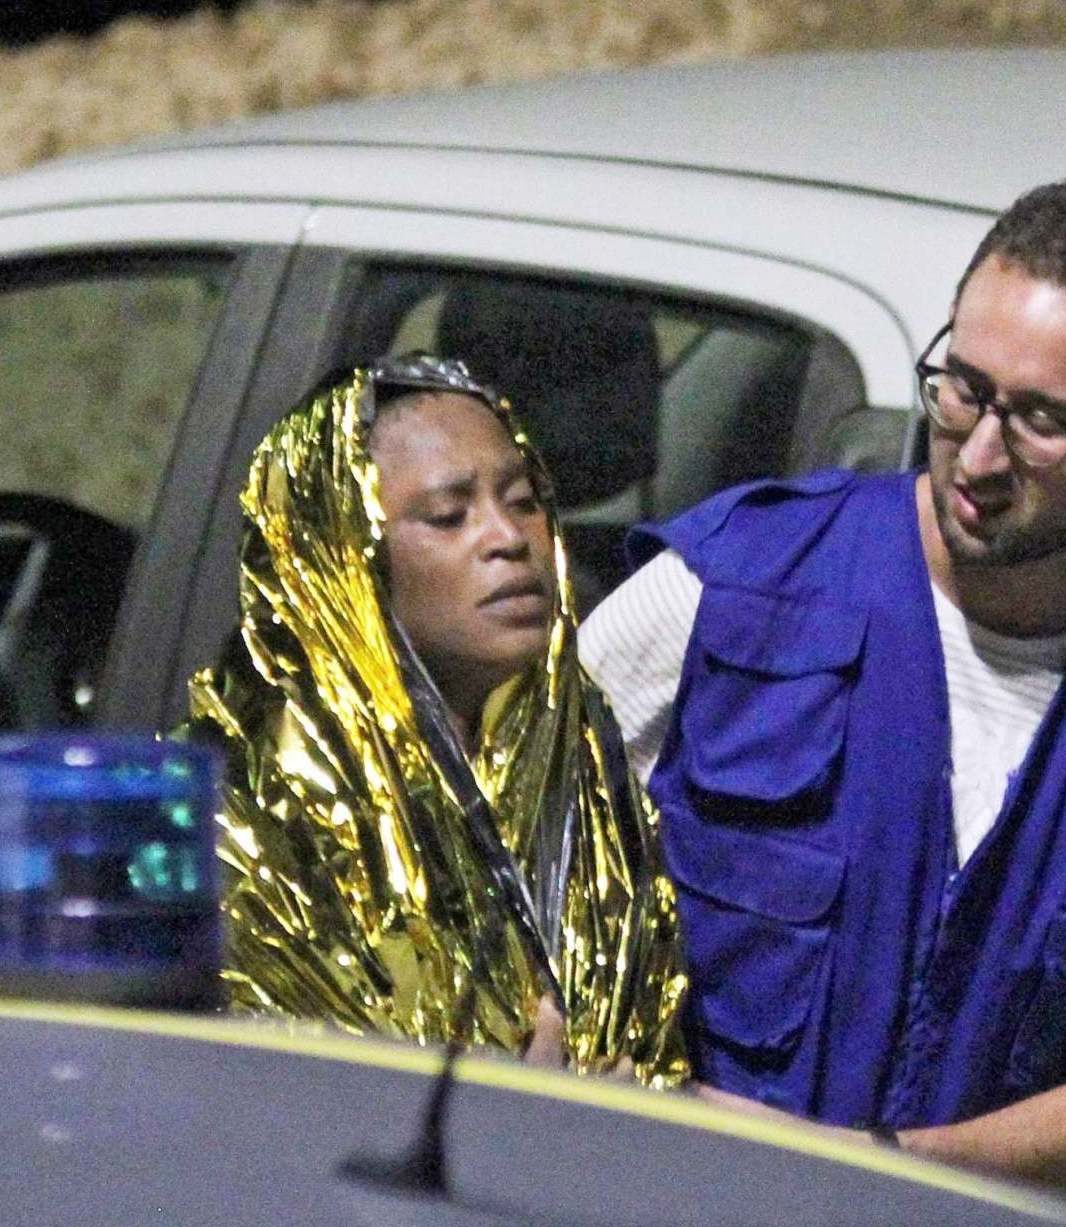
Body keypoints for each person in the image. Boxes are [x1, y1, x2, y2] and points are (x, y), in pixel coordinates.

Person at [579, 172, 1066, 1204]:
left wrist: (877, 1173)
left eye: (1043, 421)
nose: (977, 453)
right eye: (962, 386)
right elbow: (510, 876)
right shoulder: (725, 592)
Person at [185, 353, 688, 1084]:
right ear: (344, 558)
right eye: (449, 516)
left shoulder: (585, 768)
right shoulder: (251, 816)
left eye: (523, 501)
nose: (507, 538)